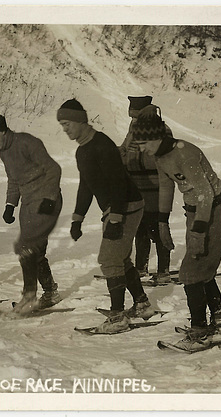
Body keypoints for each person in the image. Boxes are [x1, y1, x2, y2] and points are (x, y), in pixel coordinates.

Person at [57, 99, 154, 333]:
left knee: (109, 259)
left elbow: (118, 183)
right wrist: (77, 217)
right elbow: (86, 184)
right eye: (62, 124)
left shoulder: (102, 145)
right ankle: (142, 304)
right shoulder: (83, 150)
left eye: (67, 123)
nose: (65, 129)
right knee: (119, 258)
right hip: (117, 207)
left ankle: (118, 317)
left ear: (80, 121)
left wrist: (116, 218)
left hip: (125, 205)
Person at [135, 111, 221, 350]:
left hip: (212, 210)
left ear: (156, 138)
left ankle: (200, 330)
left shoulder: (184, 153)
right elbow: (166, 187)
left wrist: (198, 232)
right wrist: (162, 221)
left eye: (144, 143)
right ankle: (219, 316)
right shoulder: (160, 156)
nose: (142, 149)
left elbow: (206, 195)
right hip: (195, 210)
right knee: (201, 266)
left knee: (192, 271)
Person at [0, 112, 62, 314]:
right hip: (28, 202)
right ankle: (51, 292)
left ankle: (29, 296)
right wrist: (10, 204)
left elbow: (54, 169)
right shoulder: (4, 152)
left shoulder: (27, 142)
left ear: (2, 131)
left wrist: (50, 200)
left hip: (44, 199)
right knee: (35, 250)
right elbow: (13, 179)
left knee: (27, 246)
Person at [119, 96, 172, 278]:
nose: (132, 122)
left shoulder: (161, 129)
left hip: (155, 188)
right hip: (138, 187)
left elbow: (162, 157)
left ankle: (163, 269)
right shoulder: (133, 129)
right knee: (140, 229)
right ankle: (141, 267)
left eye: (135, 117)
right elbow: (127, 150)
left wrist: (131, 159)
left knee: (158, 229)